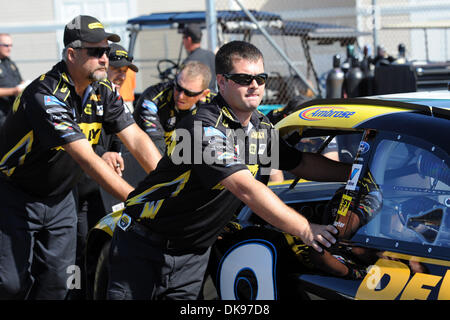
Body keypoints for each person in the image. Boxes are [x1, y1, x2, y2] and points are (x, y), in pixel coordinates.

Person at [107, 40, 351, 300]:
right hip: (144, 244)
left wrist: (356, 173)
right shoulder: (204, 129)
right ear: (221, 82)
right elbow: (244, 188)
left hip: (193, 254)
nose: (254, 85)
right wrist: (306, 229)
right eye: (243, 78)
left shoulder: (259, 127)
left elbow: (301, 162)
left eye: (260, 78)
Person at [0, 15, 161, 300]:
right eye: (96, 52)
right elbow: (86, 158)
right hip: (14, 194)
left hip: (61, 197)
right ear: (72, 54)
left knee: (59, 285)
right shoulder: (45, 94)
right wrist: (138, 202)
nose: (105, 59)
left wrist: (166, 186)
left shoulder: (105, 91)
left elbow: (135, 137)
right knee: (10, 284)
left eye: (107, 52)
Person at [69, 43, 140, 300]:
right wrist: (103, 154)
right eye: (118, 69)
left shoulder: (119, 100)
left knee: (97, 247)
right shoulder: (79, 96)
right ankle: (74, 295)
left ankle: (90, 292)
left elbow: (131, 141)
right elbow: (76, 147)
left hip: (103, 191)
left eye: (127, 70)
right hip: (76, 190)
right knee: (75, 252)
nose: (122, 75)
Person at [133, 61, 214, 155]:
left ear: (204, 94)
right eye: (178, 87)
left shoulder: (214, 104)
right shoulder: (153, 98)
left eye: (189, 93)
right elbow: (155, 144)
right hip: (150, 155)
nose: (180, 96)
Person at [0, 33, 25, 127]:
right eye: (6, 45)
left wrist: (24, 86)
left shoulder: (9, 62)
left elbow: (20, 80)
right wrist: (14, 91)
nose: (9, 48)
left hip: (12, 112)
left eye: (11, 45)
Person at [182, 23, 216, 91]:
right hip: (212, 96)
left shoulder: (189, 61)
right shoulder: (211, 55)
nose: (183, 41)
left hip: (198, 98)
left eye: (183, 38)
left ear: (189, 39)